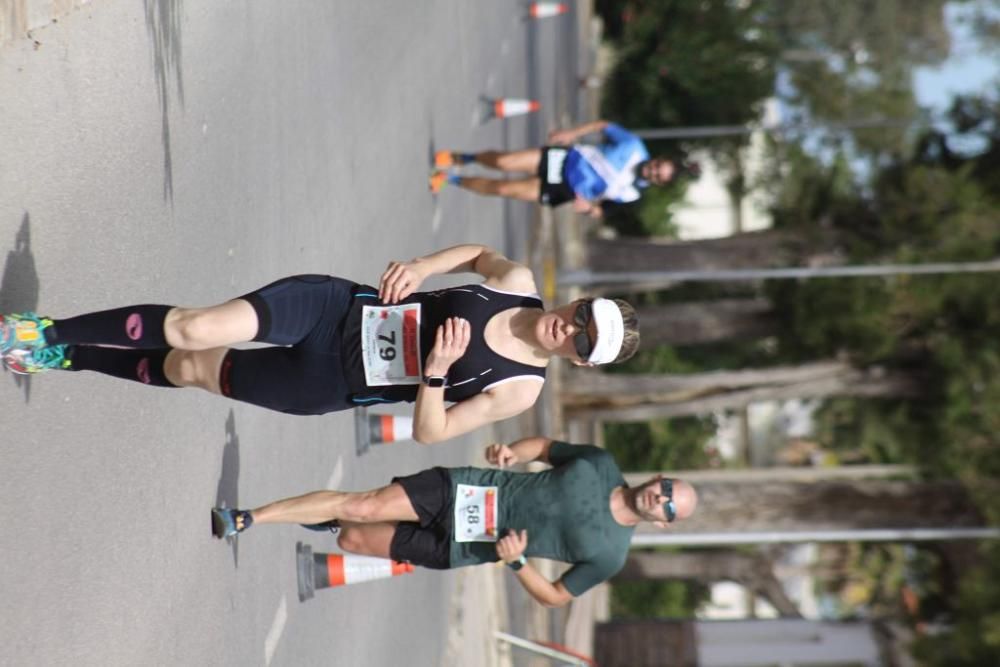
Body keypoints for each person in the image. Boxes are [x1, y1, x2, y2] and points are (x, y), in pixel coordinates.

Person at [0, 244, 639, 443]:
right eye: (584, 314)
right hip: (338, 309)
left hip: (333, 383)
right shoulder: (518, 283)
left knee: (191, 368)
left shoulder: (520, 390)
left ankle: (70, 357)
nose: (572, 328)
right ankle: (45, 330)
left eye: (584, 341)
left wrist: (437, 374)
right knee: (194, 328)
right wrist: (421, 268)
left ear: (580, 360)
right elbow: (477, 253)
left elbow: (432, 434)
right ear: (577, 301)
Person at [211, 436, 698, 607]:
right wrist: (513, 452)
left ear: (663, 524)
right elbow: (547, 448)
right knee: (364, 506)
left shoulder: (610, 555)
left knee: (355, 537)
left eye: (670, 507)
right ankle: (250, 517)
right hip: (467, 489)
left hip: (464, 548)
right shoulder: (600, 463)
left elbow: (554, 597)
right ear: (659, 477)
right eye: (669, 488)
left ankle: (327, 518)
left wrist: (517, 563)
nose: (663, 498)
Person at [429, 120, 698, 218]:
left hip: (566, 189)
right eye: (655, 166)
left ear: (658, 183)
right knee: (504, 163)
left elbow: (600, 211)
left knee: (503, 188)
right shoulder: (634, 146)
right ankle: (466, 157)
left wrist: (589, 209)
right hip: (567, 158)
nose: (651, 171)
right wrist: (571, 133)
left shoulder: (631, 195)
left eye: (656, 176)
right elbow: (603, 126)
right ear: (656, 159)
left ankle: (450, 179)